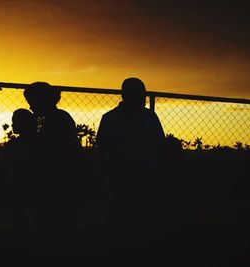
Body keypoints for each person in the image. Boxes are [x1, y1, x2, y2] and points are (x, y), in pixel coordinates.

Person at [96, 77, 166, 248]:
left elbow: (101, 150)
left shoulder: (112, 118)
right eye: (140, 94)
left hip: (136, 177)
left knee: (134, 221)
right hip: (127, 178)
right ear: (126, 95)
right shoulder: (147, 118)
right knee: (129, 221)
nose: (142, 98)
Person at [23, 82, 81, 248]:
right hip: (59, 183)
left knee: (54, 228)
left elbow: (52, 155)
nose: (30, 106)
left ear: (42, 101)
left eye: (32, 101)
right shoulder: (56, 119)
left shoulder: (55, 121)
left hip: (56, 184)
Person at [0, 108, 38, 230]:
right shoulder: (38, 141)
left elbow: (2, 165)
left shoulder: (14, 144)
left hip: (21, 185)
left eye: (15, 122)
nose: (12, 125)